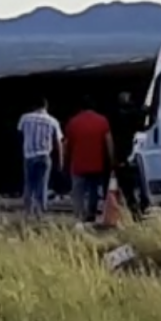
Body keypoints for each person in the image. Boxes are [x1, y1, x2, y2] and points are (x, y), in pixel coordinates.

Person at [64, 95, 114, 227]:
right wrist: (112, 160)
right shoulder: (102, 120)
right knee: (93, 190)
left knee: (78, 191)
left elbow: (67, 144)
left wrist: (65, 160)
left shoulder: (73, 122)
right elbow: (109, 142)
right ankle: (91, 214)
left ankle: (79, 215)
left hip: (78, 164)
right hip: (96, 163)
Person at [17, 97, 63, 217]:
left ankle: (28, 211)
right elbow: (59, 142)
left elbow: (20, 135)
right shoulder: (53, 121)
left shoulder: (25, 118)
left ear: (34, 106)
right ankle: (40, 211)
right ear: (46, 106)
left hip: (29, 155)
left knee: (29, 184)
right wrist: (61, 161)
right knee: (42, 184)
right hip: (44, 156)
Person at [110, 91, 149, 218]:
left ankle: (135, 210)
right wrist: (144, 111)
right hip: (131, 153)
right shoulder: (132, 115)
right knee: (135, 184)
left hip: (122, 155)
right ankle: (140, 208)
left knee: (128, 188)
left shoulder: (115, 117)